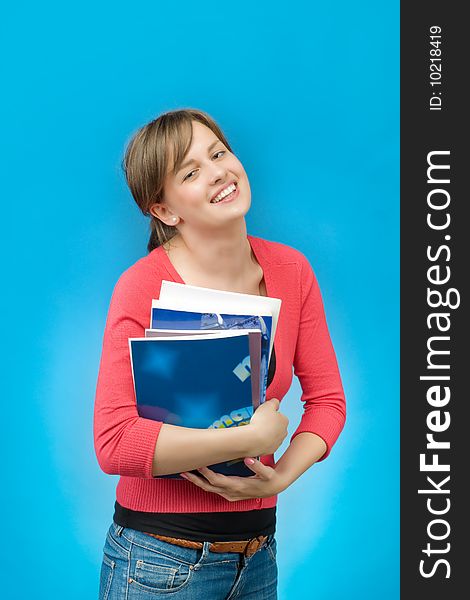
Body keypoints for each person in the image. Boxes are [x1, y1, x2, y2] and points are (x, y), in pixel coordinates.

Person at [94, 108, 346, 599]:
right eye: (190, 172)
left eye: (218, 153)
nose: (217, 172)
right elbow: (113, 443)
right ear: (164, 210)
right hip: (156, 562)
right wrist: (245, 439)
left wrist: (279, 478)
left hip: (258, 558)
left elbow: (329, 402)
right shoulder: (141, 286)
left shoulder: (292, 271)